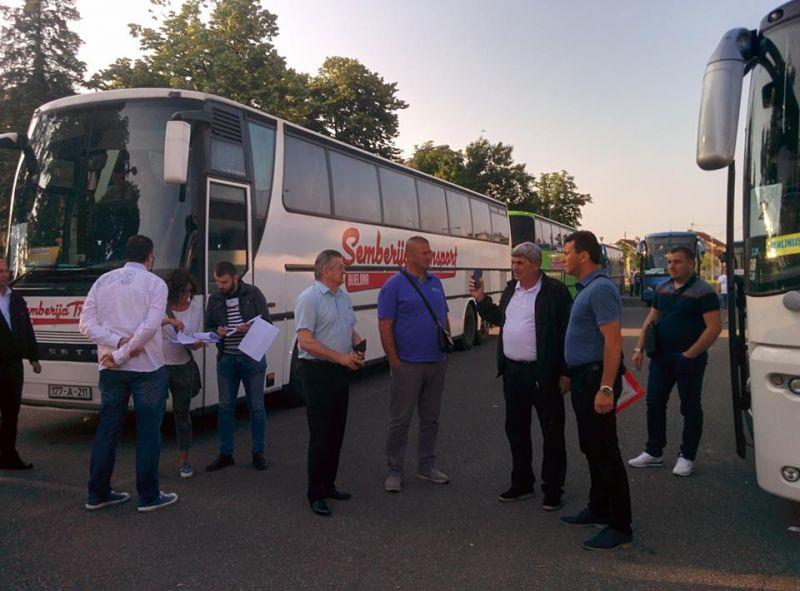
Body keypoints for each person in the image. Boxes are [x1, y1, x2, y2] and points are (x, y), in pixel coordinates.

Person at [470, 242, 572, 510]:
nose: (515, 267)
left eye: (520, 263)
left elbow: (566, 333)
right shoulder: (511, 290)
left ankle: (553, 489)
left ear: (536, 265)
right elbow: (501, 320)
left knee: (551, 433)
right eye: (513, 262)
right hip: (513, 372)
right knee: (516, 430)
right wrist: (481, 300)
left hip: (544, 373)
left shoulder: (555, 292)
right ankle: (522, 483)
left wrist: (565, 372)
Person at [79, 235, 178, 512]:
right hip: (147, 369)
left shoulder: (102, 281)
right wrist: (123, 350)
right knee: (148, 432)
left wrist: (115, 344)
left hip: (110, 368)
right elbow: (150, 327)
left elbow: (85, 324)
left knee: (108, 430)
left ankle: (97, 493)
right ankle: (149, 496)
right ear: (150, 255)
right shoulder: (155, 284)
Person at [559, 231, 633, 551]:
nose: (563, 258)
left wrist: (605, 387)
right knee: (591, 446)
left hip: (594, 380)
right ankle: (599, 507)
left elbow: (613, 341)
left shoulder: (601, 289)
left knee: (605, 450)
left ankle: (620, 525)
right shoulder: (587, 288)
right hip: (582, 378)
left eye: (567, 252)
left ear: (584, 256)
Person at [629, 246, 721, 477]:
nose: (672, 266)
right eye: (669, 262)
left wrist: (690, 354)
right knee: (654, 403)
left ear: (691, 264)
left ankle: (687, 456)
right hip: (661, 357)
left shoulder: (704, 291)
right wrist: (639, 348)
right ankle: (654, 452)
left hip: (689, 360)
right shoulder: (662, 288)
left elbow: (713, 328)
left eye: (677, 261)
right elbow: (650, 321)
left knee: (690, 407)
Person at [294, 250, 365, 517]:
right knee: (320, 434)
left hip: (339, 371)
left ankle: (329, 485)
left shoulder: (344, 297)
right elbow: (305, 341)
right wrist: (341, 357)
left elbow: (350, 329)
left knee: (336, 431)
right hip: (317, 372)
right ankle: (315, 494)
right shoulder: (309, 298)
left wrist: (358, 346)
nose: (345, 271)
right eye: (340, 267)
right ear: (326, 271)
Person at [378, 236, 450, 493]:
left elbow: (443, 318)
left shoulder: (436, 283)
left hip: (436, 362)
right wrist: (394, 362)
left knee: (431, 419)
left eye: (430, 252)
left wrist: (446, 351)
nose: (430, 256)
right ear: (408, 256)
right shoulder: (393, 286)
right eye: (424, 253)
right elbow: (385, 326)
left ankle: (426, 466)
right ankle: (394, 471)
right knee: (400, 421)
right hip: (407, 364)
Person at [205, 261, 271, 473]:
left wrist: (250, 327)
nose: (220, 286)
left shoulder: (253, 293)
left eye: (224, 282)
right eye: (217, 282)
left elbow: (267, 323)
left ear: (235, 278)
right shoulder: (215, 299)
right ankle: (226, 454)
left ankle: (258, 453)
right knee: (225, 407)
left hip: (252, 357)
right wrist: (217, 331)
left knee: (256, 407)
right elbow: (208, 327)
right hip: (227, 358)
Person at [161, 269, 204, 478]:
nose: (187, 297)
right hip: (159, 365)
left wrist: (196, 343)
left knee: (182, 413)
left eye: (189, 292)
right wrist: (170, 322)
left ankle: (183, 461)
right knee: (154, 413)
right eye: (183, 292)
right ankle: (150, 459)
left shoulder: (195, 309)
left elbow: (194, 335)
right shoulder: (160, 307)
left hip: (183, 364)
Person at [0, 258, 41, 470]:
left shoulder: (15, 298)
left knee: (11, 412)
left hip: (13, 365)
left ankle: (8, 455)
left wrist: (33, 357)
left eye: (6, 271)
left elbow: (26, 328)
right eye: (0, 271)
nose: (4, 275)